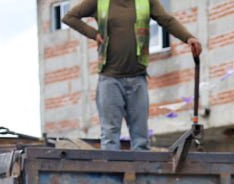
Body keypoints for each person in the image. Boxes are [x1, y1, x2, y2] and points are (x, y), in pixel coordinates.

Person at [63, 0, 202, 151]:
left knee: (141, 139)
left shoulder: (146, 1)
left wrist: (188, 38)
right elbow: (70, 17)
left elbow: (167, 20)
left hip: (138, 79)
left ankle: (142, 175)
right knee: (110, 136)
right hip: (110, 80)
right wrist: (94, 34)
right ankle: (112, 174)